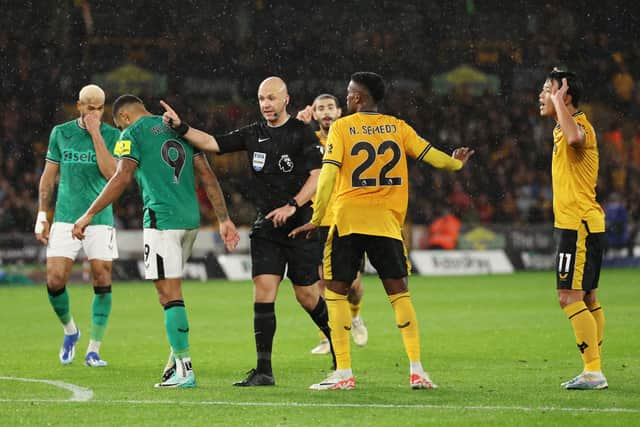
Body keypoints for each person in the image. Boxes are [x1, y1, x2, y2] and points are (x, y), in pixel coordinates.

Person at [290, 72, 474, 390]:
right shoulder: (397, 127)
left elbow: (328, 177)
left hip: (347, 222)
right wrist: (456, 164)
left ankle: (344, 374)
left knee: (334, 295)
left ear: (359, 98)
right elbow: (432, 155)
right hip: (386, 223)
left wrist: (317, 217)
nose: (346, 99)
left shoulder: (342, 128)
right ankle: (417, 370)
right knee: (399, 294)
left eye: (349, 94)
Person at [160, 76, 334, 387]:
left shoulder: (301, 133)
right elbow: (213, 143)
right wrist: (181, 127)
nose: (266, 104)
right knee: (264, 292)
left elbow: (318, 177)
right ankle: (264, 370)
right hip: (266, 227)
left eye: (271, 98)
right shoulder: (253, 134)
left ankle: (340, 355)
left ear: (286, 100)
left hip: (300, 226)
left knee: (307, 295)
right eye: (261, 99)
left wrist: (293, 205)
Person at [72, 94, 240, 388]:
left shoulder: (131, 133)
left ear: (123, 118)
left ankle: (184, 369)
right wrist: (224, 218)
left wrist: (88, 214)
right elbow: (208, 176)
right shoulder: (178, 127)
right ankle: (174, 363)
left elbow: (121, 176)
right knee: (171, 294)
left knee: (169, 295)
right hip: (190, 222)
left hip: (162, 221)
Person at [35, 84, 120, 367]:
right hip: (65, 216)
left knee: (102, 277)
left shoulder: (113, 134)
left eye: (100, 107)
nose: (96, 112)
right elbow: (48, 178)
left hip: (100, 218)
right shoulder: (61, 133)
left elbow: (112, 174)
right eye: (90, 107)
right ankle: (71, 331)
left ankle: (94, 349)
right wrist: (42, 215)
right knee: (55, 279)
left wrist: (96, 134)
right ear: (79, 106)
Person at [538, 68, 608, 390]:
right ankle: (593, 366)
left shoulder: (579, 126)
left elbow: (575, 138)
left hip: (576, 224)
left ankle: (593, 371)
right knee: (588, 297)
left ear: (564, 95)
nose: (542, 95)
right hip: (583, 222)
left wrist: (559, 101)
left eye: (548, 89)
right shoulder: (561, 128)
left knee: (568, 297)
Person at [297, 94, 368, 355]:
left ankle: (356, 315)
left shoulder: (349, 137)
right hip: (317, 220)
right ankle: (327, 335)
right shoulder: (307, 141)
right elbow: (287, 154)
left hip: (346, 218)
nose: (326, 113)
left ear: (339, 111)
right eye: (320, 109)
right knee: (320, 283)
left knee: (352, 284)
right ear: (314, 114)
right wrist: (297, 125)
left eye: (330, 108)